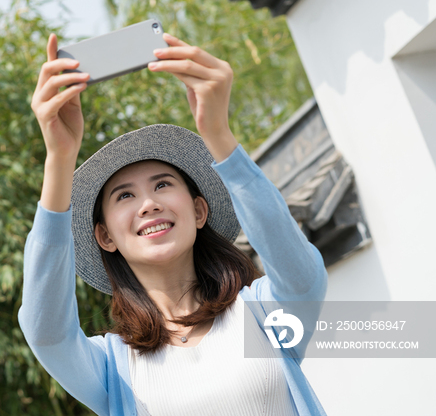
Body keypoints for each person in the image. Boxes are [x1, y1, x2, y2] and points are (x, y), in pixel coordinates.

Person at [18, 32, 328, 415]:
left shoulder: (264, 315)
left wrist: (218, 134)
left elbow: (301, 274)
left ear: (199, 211)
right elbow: (45, 333)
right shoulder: (112, 366)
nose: (148, 203)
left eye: (163, 185)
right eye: (125, 196)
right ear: (105, 236)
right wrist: (59, 159)